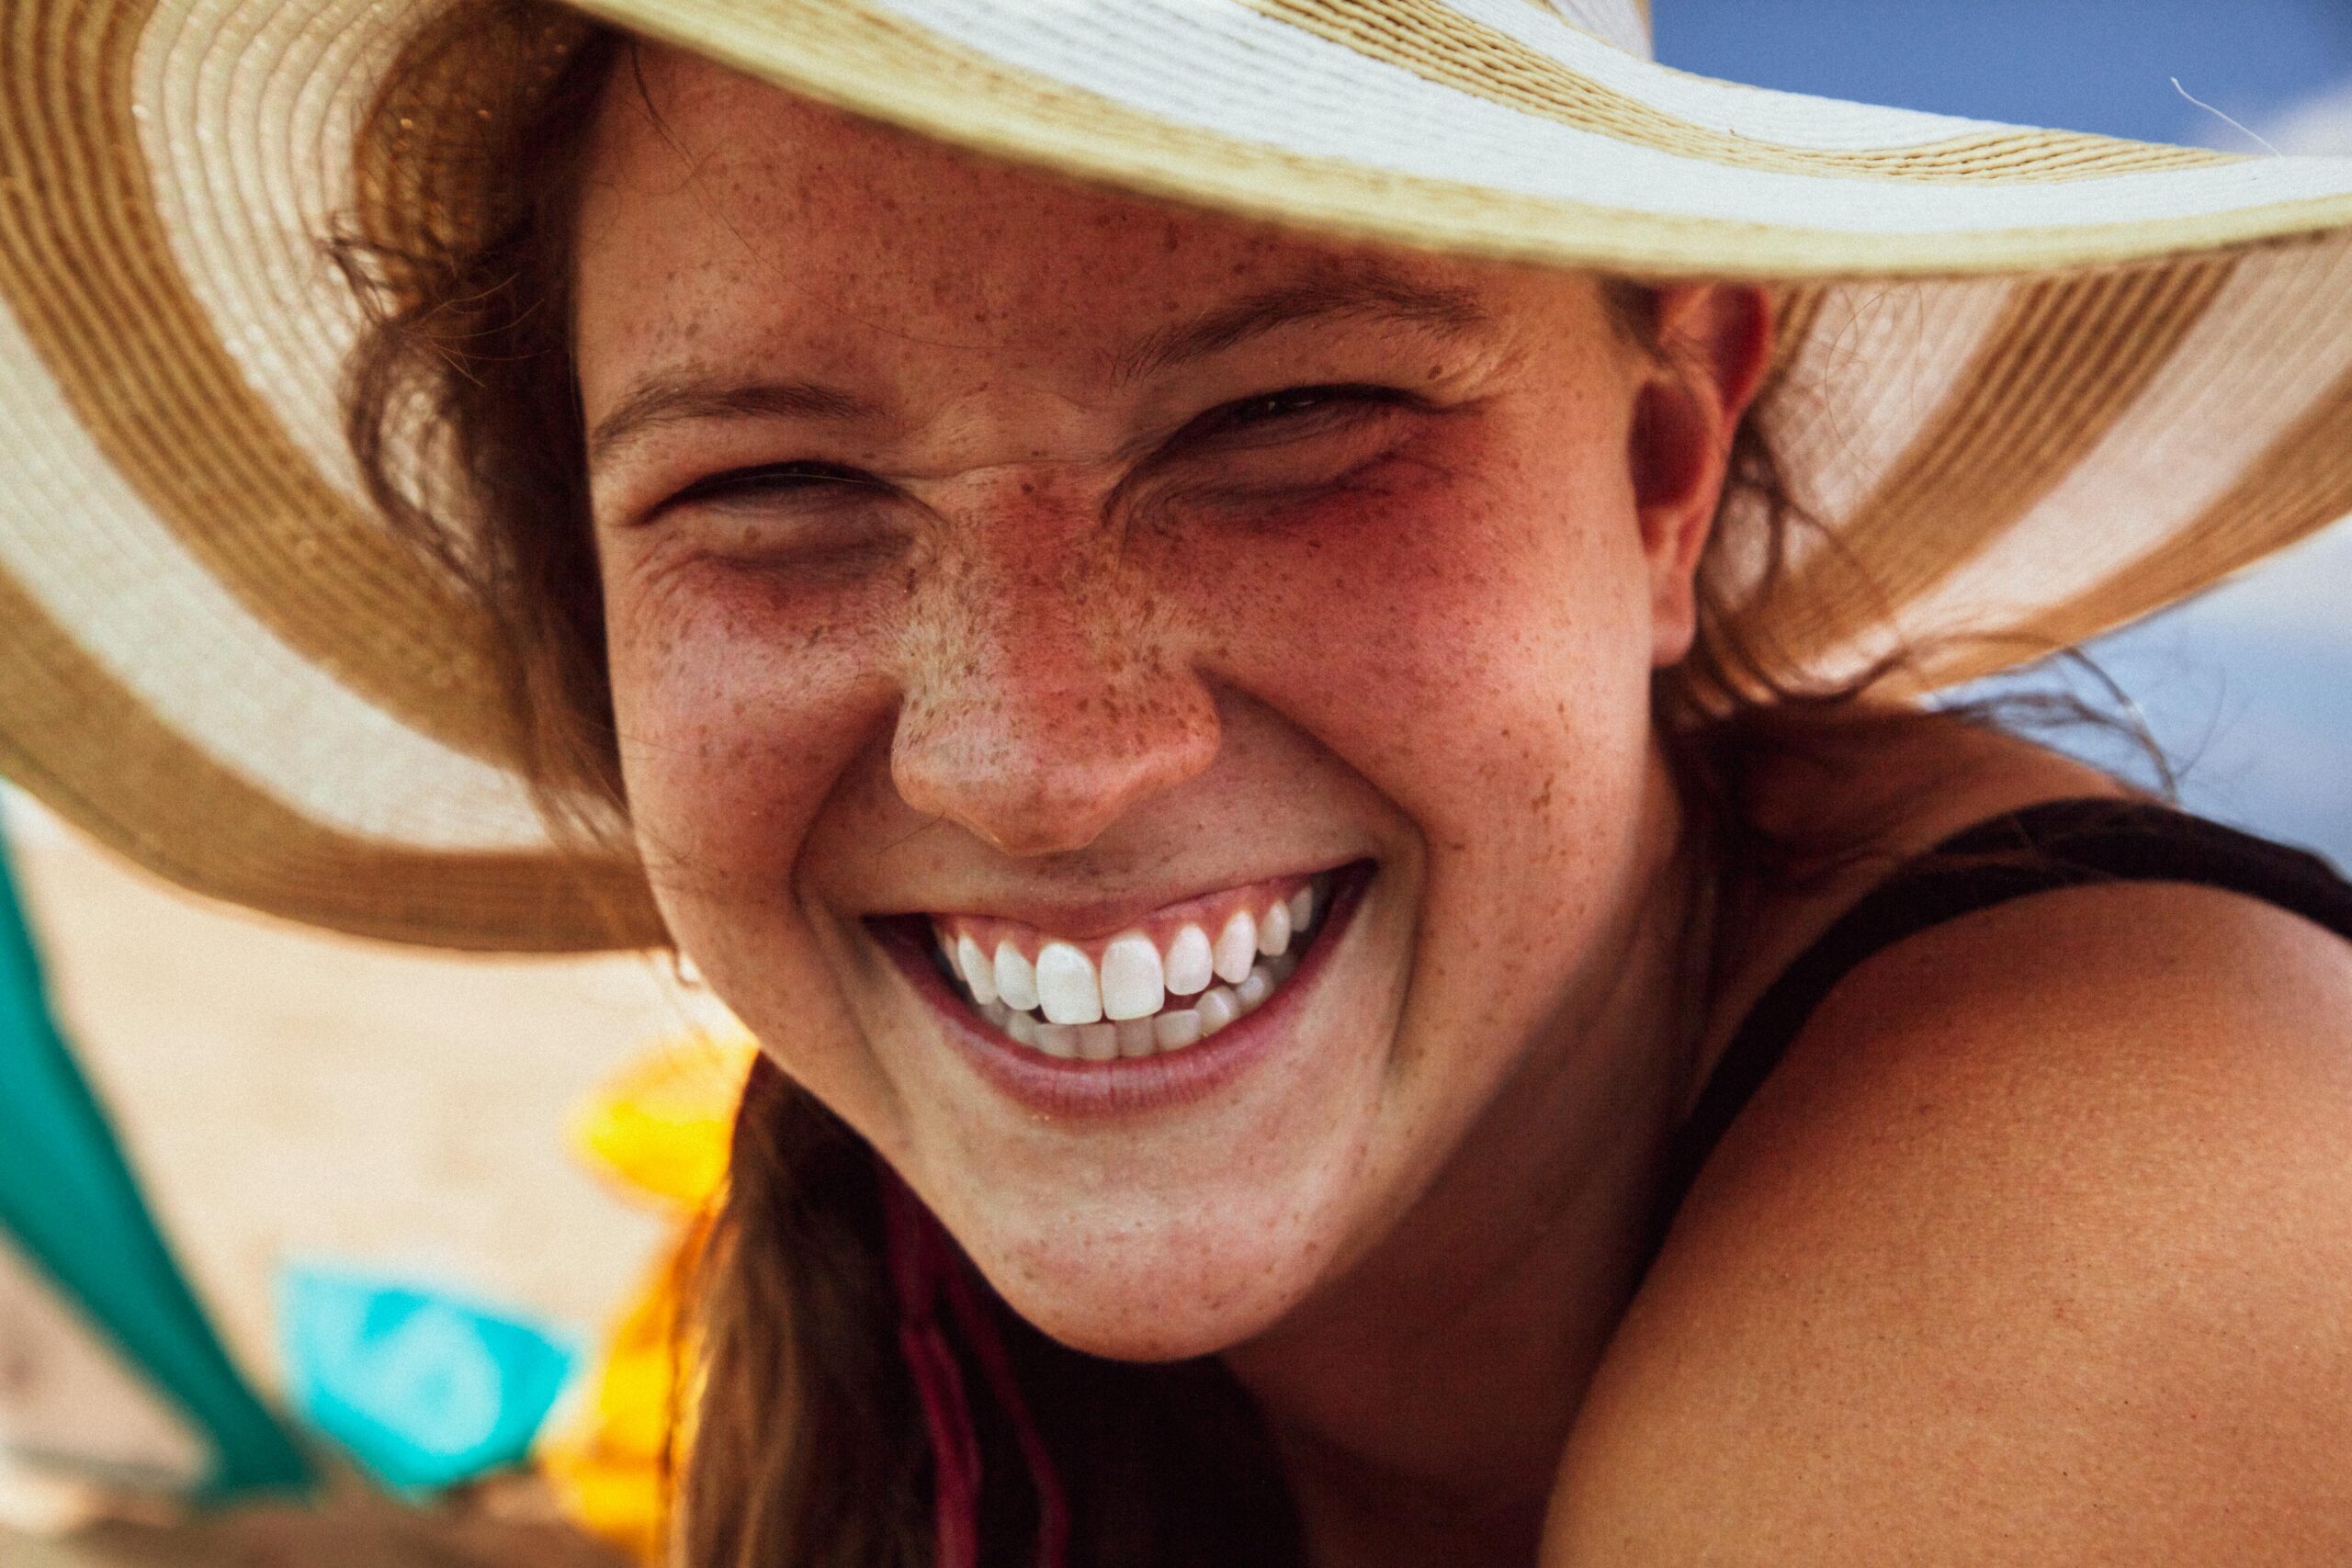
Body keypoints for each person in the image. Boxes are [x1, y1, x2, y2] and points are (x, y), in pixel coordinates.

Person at [5, 0, 2352, 1562]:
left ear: (1660, 458)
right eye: (770, 493)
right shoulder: (864, 1275)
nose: (1034, 760)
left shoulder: (2162, 1174)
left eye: (1283, 424)